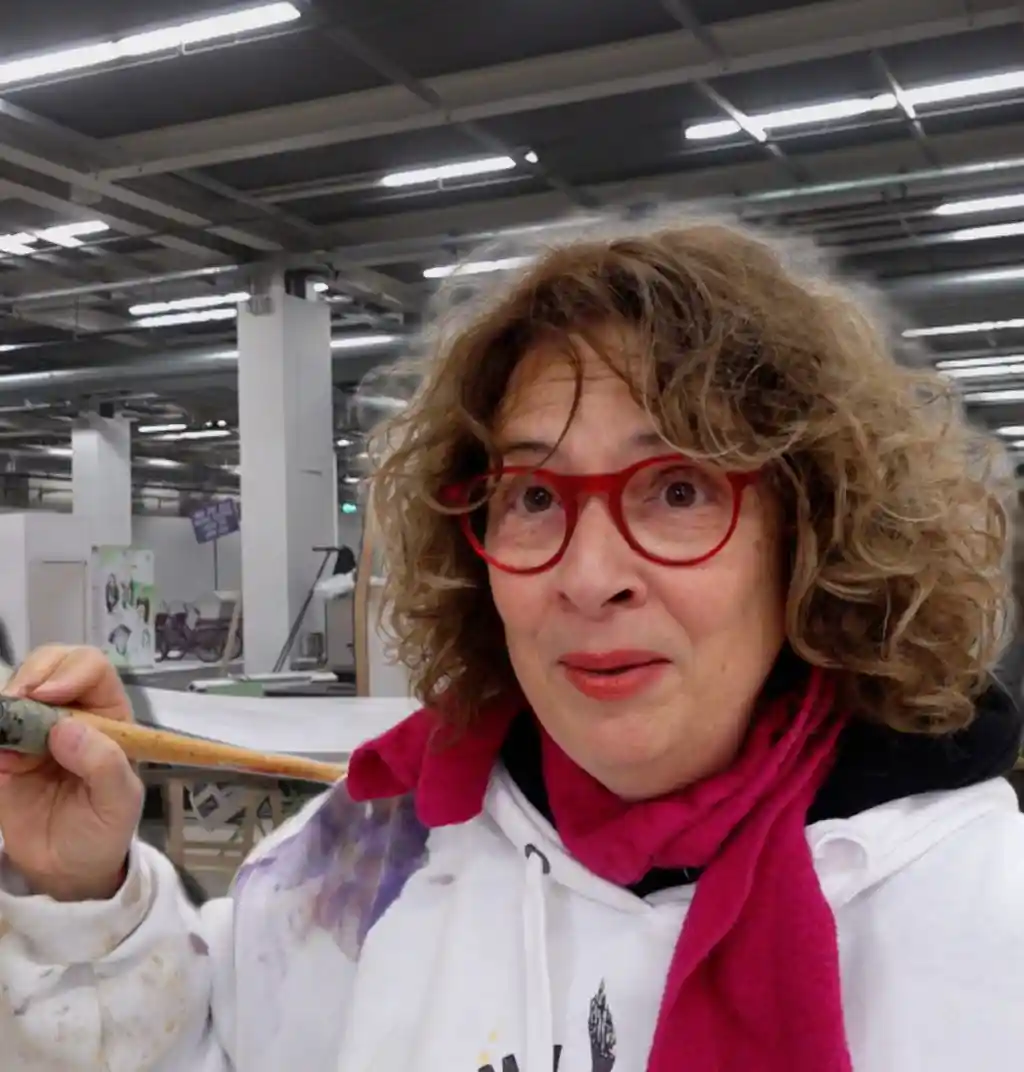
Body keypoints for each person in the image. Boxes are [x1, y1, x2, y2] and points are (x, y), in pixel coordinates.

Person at [1, 216, 1023, 1072]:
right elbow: (213, 1045)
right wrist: (84, 895)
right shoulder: (374, 851)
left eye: (677, 489)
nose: (587, 573)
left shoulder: (978, 919)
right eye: (533, 495)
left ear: (807, 535)